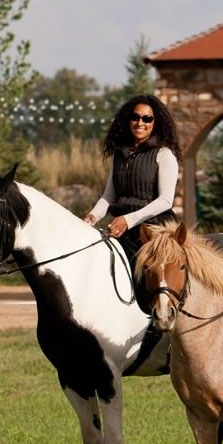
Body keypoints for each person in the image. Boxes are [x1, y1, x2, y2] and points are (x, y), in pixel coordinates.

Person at [84, 95, 182, 302]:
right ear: (127, 120)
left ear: (156, 123)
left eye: (147, 119)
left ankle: (153, 326)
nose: (140, 123)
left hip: (153, 230)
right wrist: (92, 216)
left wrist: (128, 220)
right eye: (135, 117)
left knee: (144, 278)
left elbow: (166, 200)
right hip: (120, 226)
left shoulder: (164, 154)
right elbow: (109, 196)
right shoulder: (120, 155)